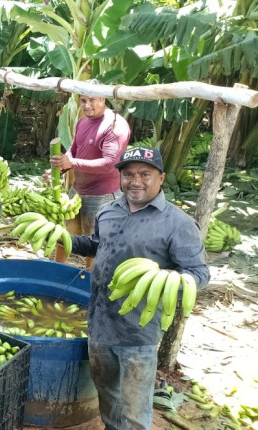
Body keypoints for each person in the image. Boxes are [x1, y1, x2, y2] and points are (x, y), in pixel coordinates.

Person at [70, 147, 210, 430]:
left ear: (161, 178)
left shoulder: (178, 224)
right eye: (128, 174)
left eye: (145, 174)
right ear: (120, 177)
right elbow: (98, 245)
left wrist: (168, 281)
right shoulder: (108, 210)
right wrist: (64, 239)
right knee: (108, 398)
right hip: (100, 324)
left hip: (138, 332)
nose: (136, 181)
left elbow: (199, 273)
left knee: (135, 412)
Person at [48, 84, 131, 269]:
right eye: (83, 100)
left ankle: (91, 277)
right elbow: (74, 150)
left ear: (103, 98)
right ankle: (56, 269)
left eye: (92, 100)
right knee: (64, 233)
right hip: (79, 188)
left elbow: (109, 163)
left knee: (95, 241)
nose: (86, 105)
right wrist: (60, 168)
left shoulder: (115, 126)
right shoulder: (83, 121)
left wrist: (72, 164)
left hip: (102, 193)